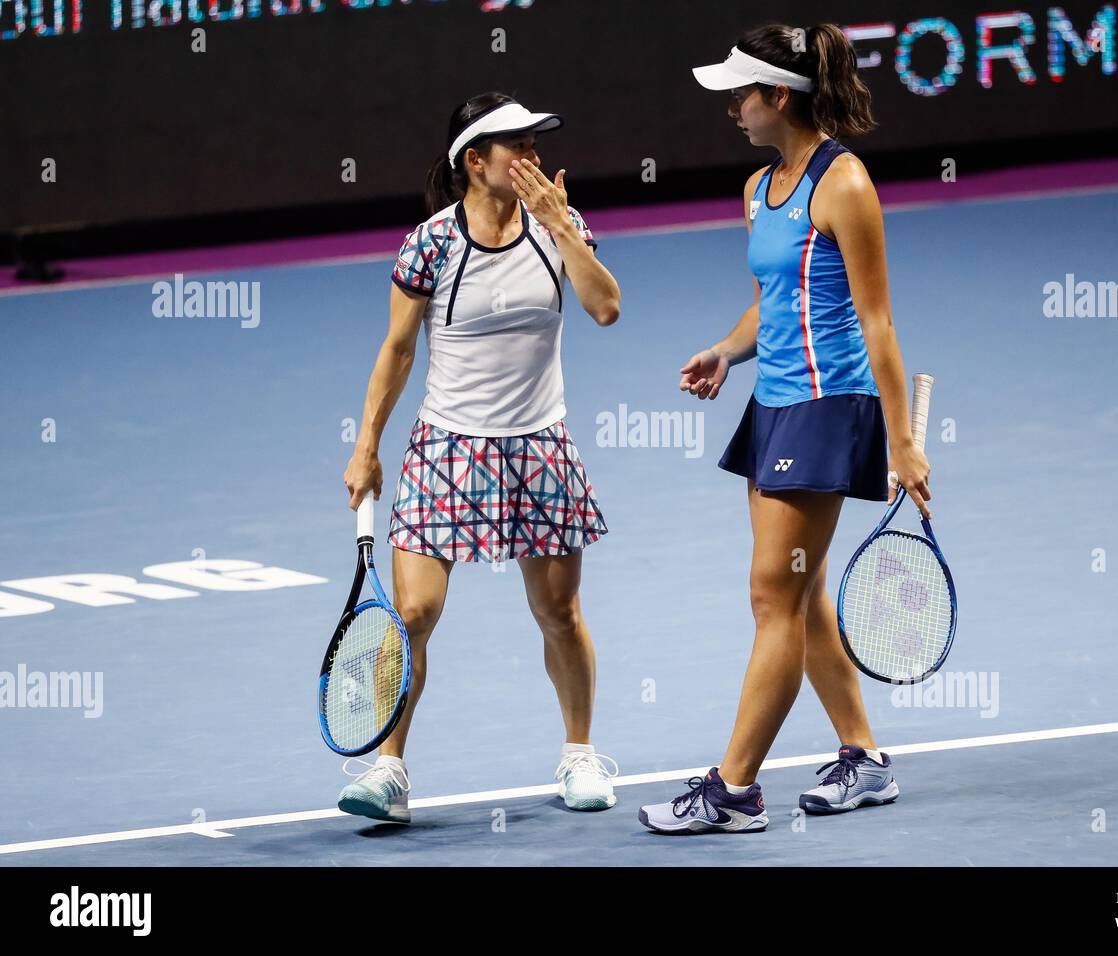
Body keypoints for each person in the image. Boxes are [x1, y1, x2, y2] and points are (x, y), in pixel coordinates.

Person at [639, 24, 932, 834]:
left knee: (774, 596)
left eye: (741, 93)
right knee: (799, 598)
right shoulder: (758, 189)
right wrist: (726, 353)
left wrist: (902, 440)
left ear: (780, 96)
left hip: (829, 406)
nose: (730, 106)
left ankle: (732, 788)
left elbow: (877, 322)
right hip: (772, 406)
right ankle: (863, 760)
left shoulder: (846, 184)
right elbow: (774, 300)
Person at [341, 93, 622, 823]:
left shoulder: (556, 228)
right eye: (517, 148)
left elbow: (606, 307)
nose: (531, 159)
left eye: (535, 145)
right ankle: (388, 769)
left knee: (558, 611)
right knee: (411, 612)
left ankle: (579, 753)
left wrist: (562, 226)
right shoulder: (430, 245)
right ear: (475, 162)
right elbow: (398, 349)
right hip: (446, 448)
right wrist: (366, 446)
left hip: (539, 445)